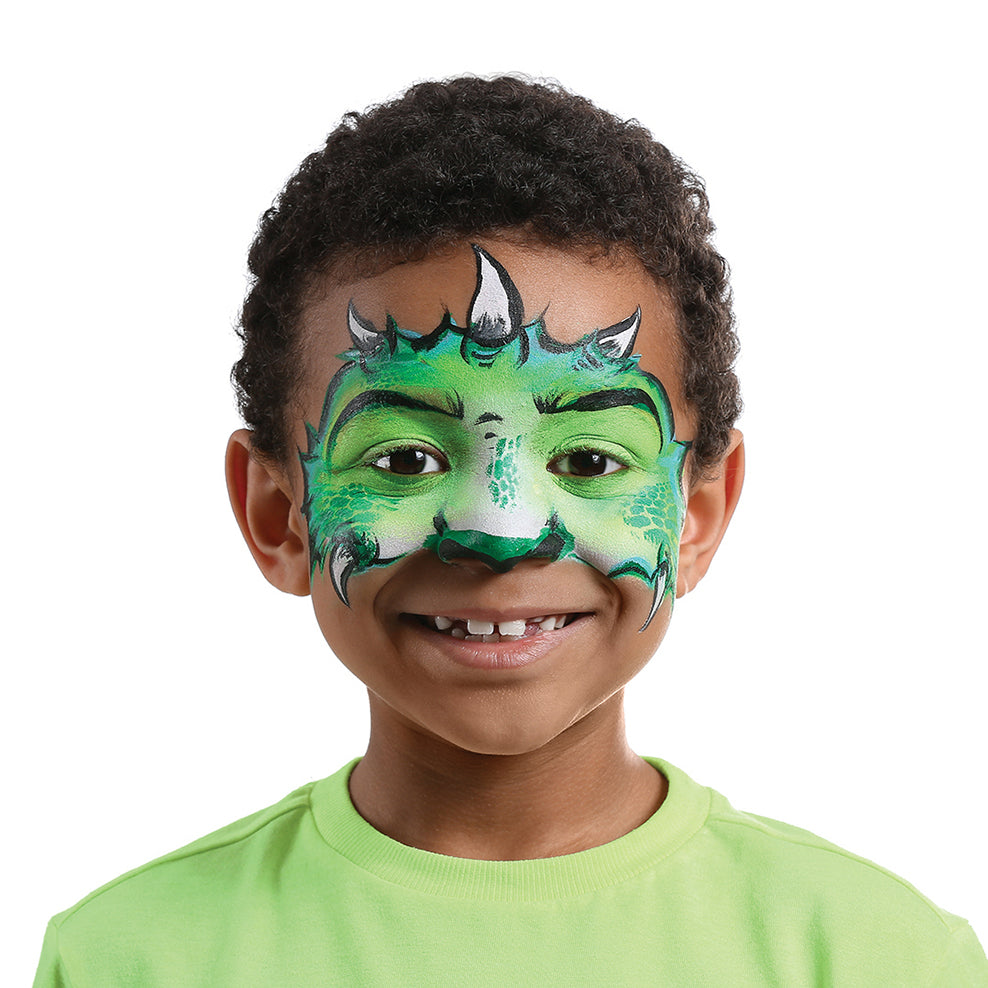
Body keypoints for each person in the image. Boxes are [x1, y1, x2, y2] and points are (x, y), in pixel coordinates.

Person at [33, 76, 987, 986]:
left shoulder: (878, 959)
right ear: (279, 514)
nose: (502, 529)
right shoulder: (131, 960)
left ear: (697, 516)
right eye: (403, 460)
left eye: (589, 461)